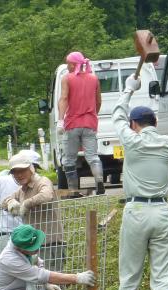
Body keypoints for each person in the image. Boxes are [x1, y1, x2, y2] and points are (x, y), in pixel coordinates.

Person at [112, 74, 168, 290]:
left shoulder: (131, 141)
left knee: (130, 271)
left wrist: (128, 90)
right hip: (162, 210)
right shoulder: (166, 144)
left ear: (134, 125)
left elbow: (116, 118)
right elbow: (127, 122)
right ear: (155, 123)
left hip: (136, 211)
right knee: (163, 268)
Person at [1, 152, 65, 271]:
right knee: (36, 284)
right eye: (15, 172)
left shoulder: (42, 182)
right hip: (32, 246)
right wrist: (10, 202)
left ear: (31, 168)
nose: (19, 175)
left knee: (52, 281)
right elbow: (3, 202)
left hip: (50, 244)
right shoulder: (22, 190)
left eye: (22, 170)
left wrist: (26, 203)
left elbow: (47, 196)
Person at [58, 51, 105, 195]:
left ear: (73, 64)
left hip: (72, 123)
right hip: (90, 123)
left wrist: (61, 119)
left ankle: (73, 190)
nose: (67, 66)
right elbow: (98, 101)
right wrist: (92, 115)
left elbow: (64, 99)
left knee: (69, 159)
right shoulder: (94, 78)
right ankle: (99, 181)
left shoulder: (67, 78)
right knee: (92, 156)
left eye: (68, 63)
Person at [0, 150, 41, 254]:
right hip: (29, 235)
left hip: (10, 232)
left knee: (9, 267)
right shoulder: (39, 182)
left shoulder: (2, 179)